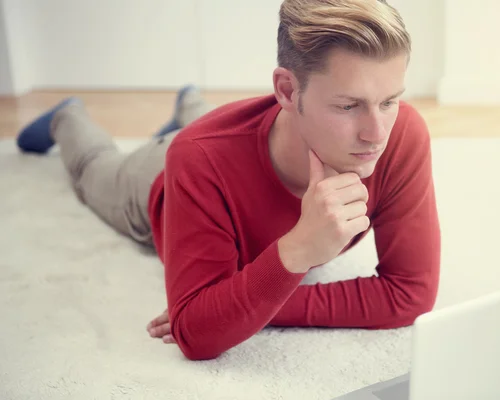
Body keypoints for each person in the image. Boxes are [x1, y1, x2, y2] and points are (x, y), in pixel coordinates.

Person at [16, 0, 441, 361]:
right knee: (93, 168)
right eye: (349, 106)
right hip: (160, 180)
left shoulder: (400, 134)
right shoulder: (198, 160)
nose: (376, 134)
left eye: (389, 101)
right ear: (287, 90)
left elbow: (410, 295)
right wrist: (296, 251)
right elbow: (196, 335)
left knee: (210, 127)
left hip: (240, 135)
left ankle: (190, 101)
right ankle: (66, 116)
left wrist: (239, 303)